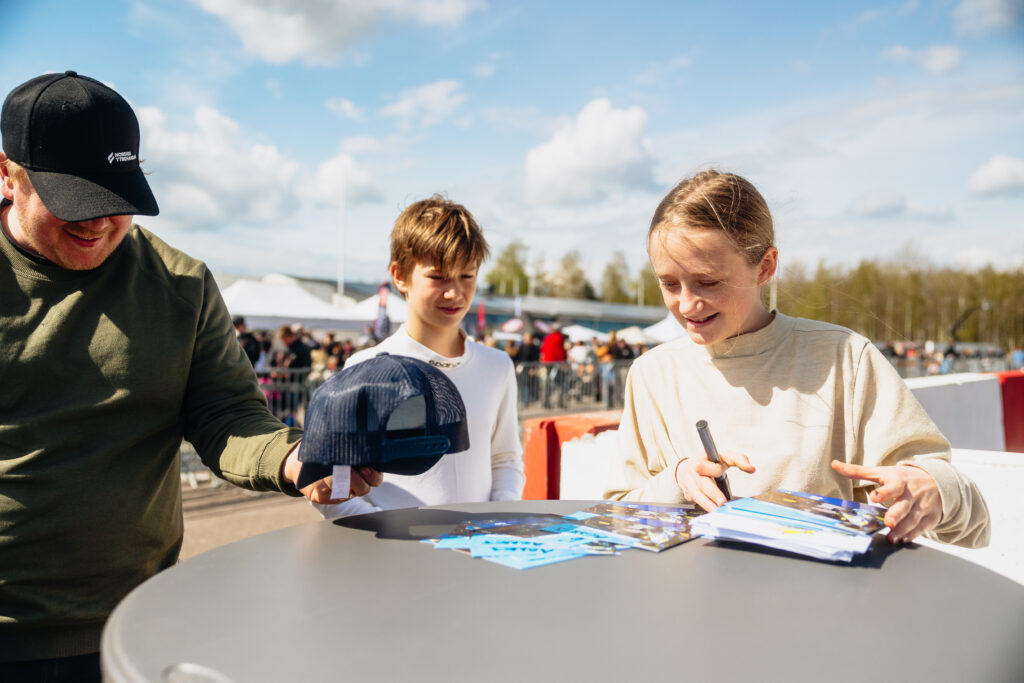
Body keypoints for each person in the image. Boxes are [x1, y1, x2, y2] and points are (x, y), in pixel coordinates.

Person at [0, 71, 378, 680]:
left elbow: (226, 414)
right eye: (76, 201)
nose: (98, 223)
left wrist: (295, 458)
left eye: (116, 199)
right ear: (6, 174)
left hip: (137, 616)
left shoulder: (180, 283)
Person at [604, 169, 989, 548]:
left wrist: (933, 488)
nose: (686, 302)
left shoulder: (845, 359)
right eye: (669, 284)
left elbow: (966, 514)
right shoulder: (652, 373)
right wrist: (677, 479)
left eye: (708, 281)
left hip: (821, 605)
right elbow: (616, 517)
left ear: (765, 267)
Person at [314, 195, 524, 519]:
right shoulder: (364, 370)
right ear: (400, 276)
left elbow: (506, 458)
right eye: (438, 277)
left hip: (482, 554)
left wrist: (499, 520)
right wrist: (385, 535)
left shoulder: (497, 366)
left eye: (467, 275)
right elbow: (331, 487)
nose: (454, 292)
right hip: (395, 560)